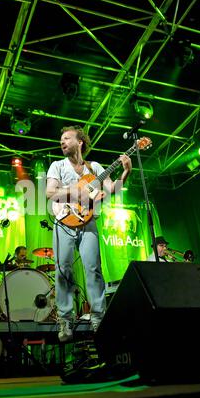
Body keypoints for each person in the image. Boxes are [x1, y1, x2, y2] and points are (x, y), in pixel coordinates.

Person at [46, 125, 132, 342]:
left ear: (80, 142)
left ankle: (98, 318)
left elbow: (112, 189)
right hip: (64, 221)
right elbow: (49, 192)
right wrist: (75, 191)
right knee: (63, 269)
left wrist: (126, 171)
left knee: (93, 269)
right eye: (61, 138)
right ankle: (65, 320)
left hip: (89, 222)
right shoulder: (57, 165)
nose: (62, 141)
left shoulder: (94, 167)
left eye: (67, 138)